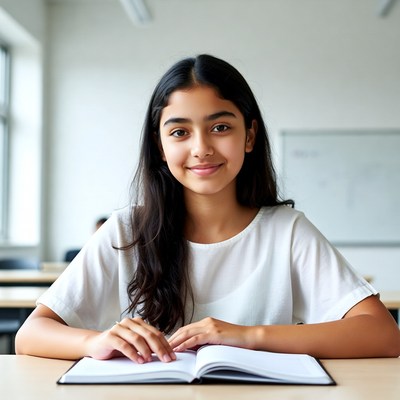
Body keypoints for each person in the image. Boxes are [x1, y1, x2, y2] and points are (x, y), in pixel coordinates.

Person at [16, 54, 400, 362]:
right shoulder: (125, 230)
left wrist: (246, 336)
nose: (201, 148)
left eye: (220, 127)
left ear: (249, 135)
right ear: (161, 146)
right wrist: (93, 341)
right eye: (180, 132)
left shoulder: (287, 231)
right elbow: (30, 334)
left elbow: (382, 334)